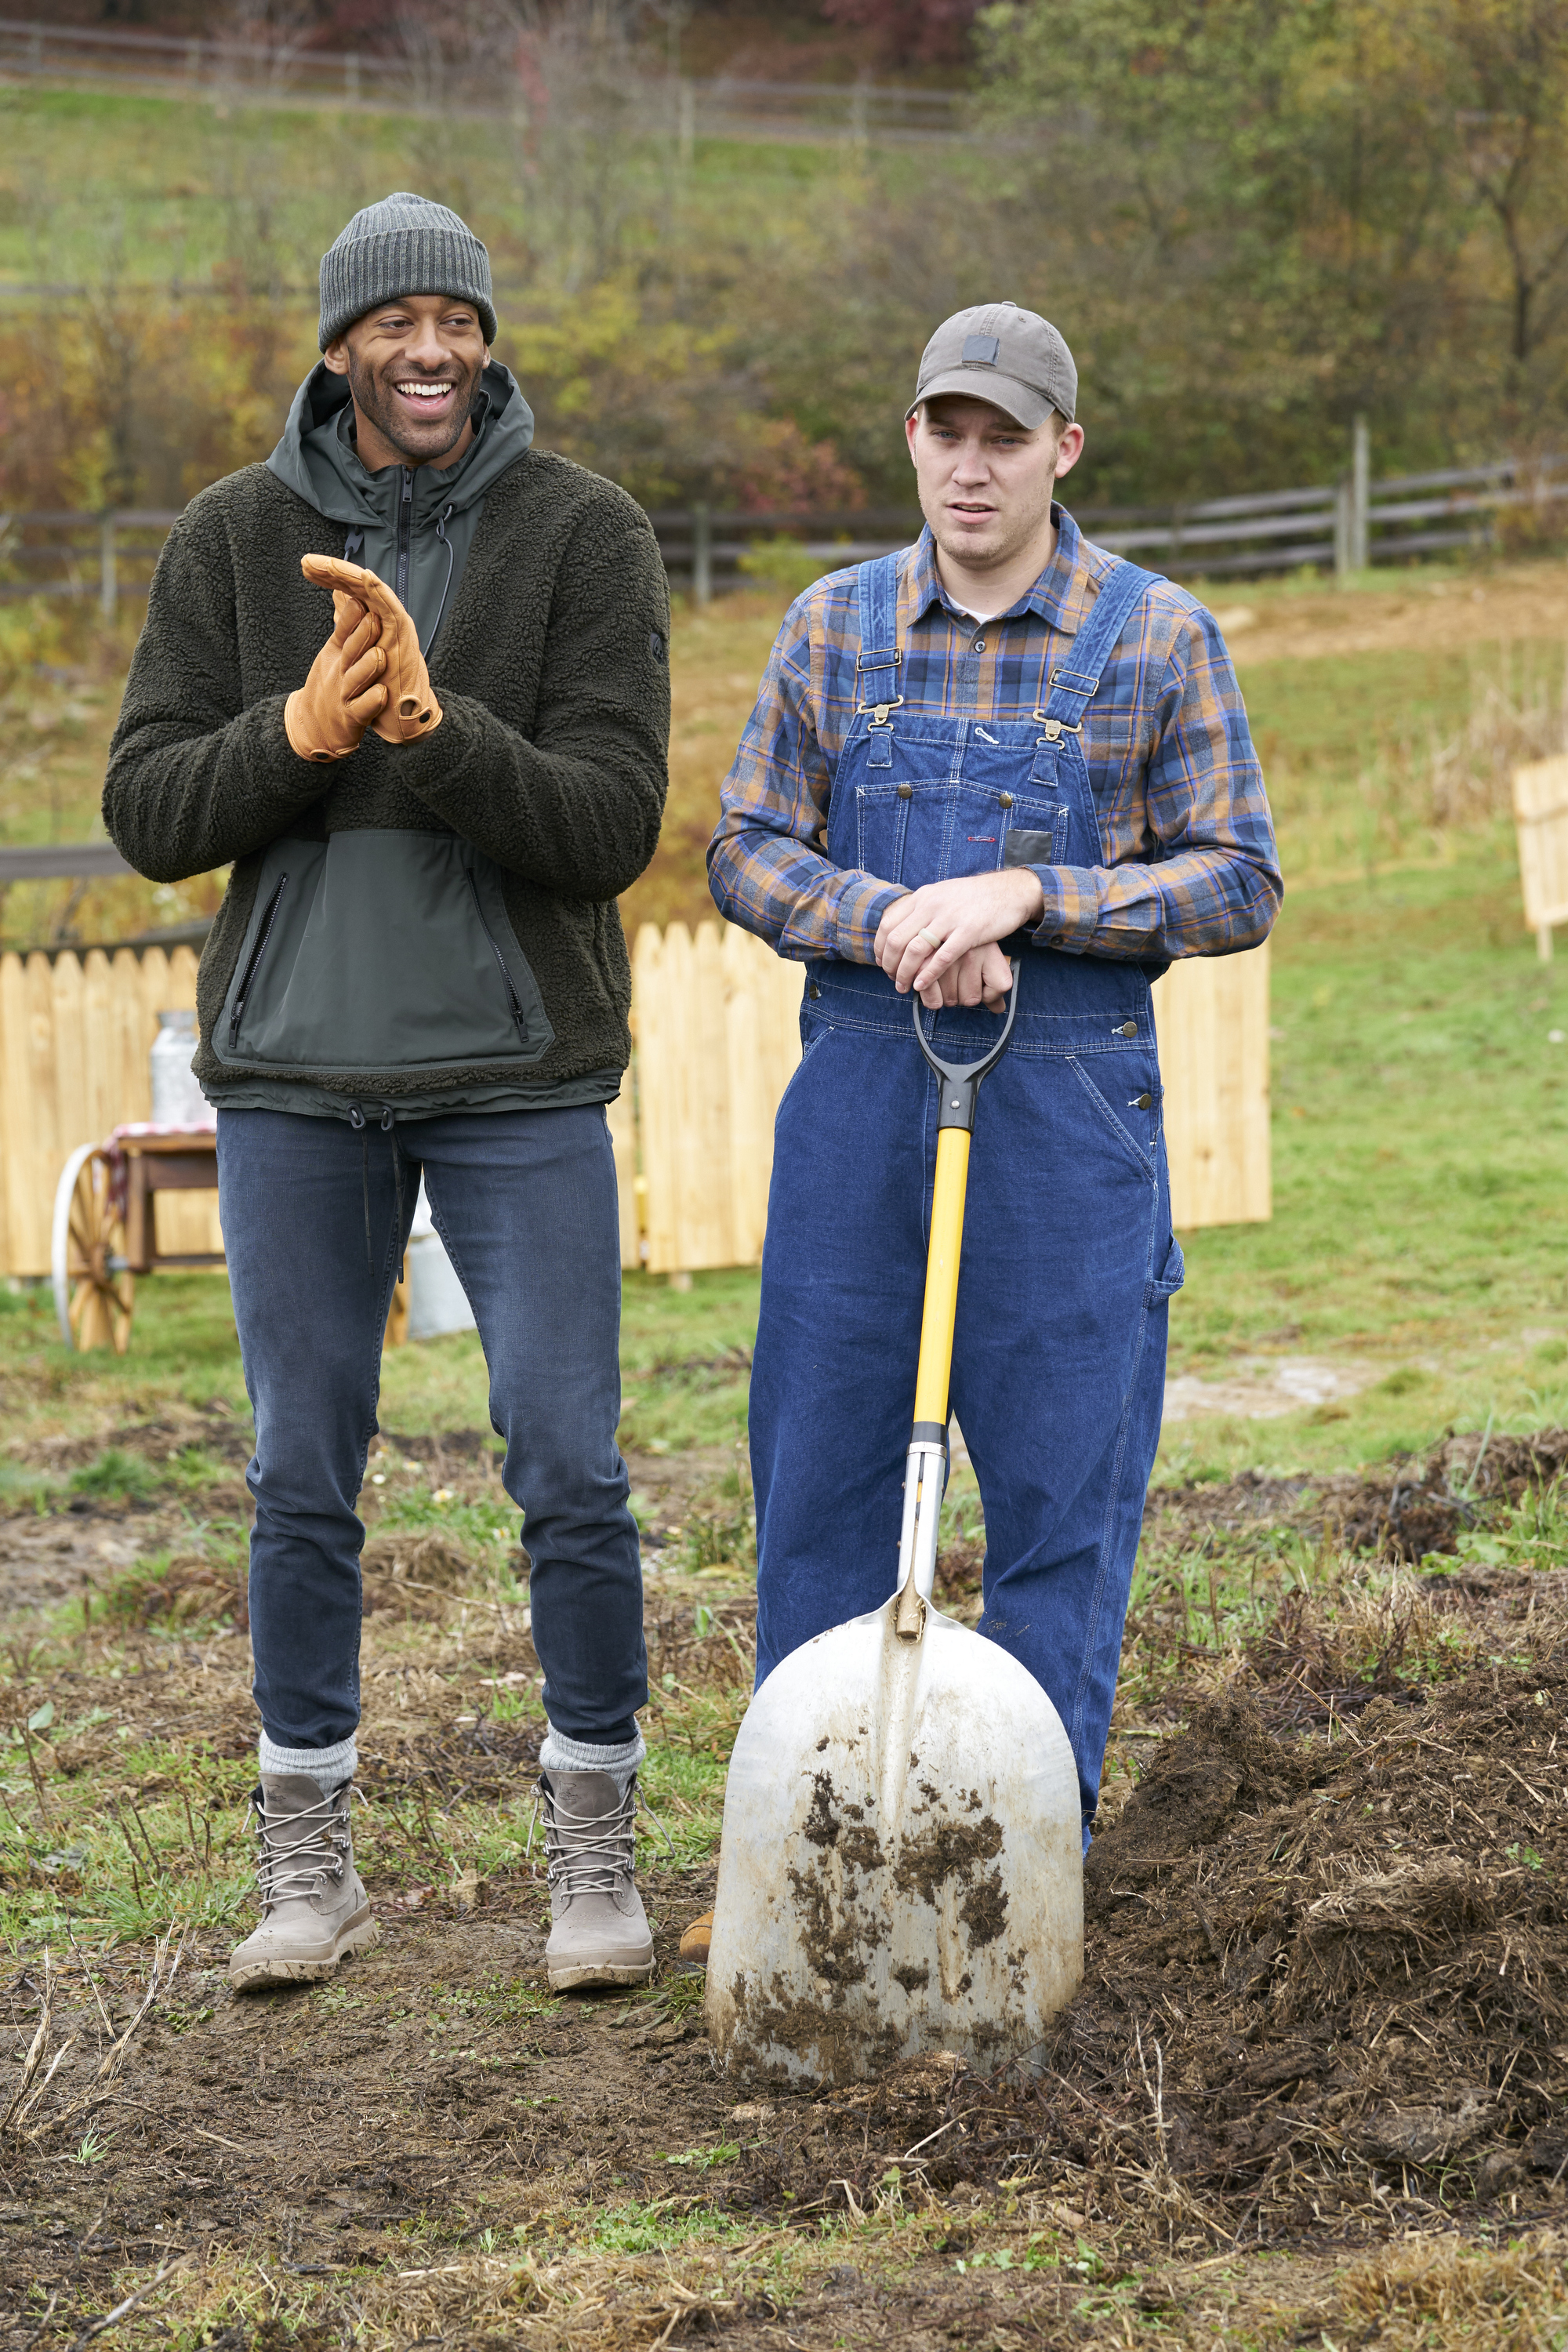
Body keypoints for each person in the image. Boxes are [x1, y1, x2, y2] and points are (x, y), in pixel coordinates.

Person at [103, 193, 671, 1994]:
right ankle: (312, 1863)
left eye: (457, 320)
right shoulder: (233, 536)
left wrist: (435, 729)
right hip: (291, 1084)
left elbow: (609, 827)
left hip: (519, 1080)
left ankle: (591, 1852)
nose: (428, 352)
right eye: (391, 323)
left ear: (486, 340)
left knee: (569, 1463)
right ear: (338, 345)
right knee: (298, 1471)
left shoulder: (584, 533)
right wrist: (303, 731)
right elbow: (146, 812)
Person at [691, 302, 1280, 1951]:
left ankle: (1021, 1870)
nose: (971, 464)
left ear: (1062, 452)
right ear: (914, 440)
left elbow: (1237, 876)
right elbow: (743, 845)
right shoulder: (833, 628)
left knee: (1058, 1484)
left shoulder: (1156, 638)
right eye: (945, 431)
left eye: (1004, 436)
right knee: (816, 1477)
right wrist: (881, 911)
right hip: (866, 1087)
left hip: (1067, 1102)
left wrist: (1032, 889)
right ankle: (806, 1866)